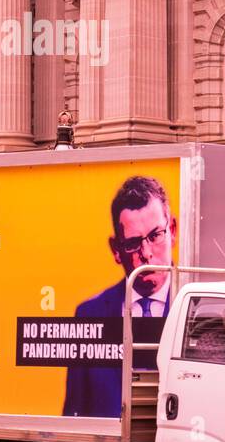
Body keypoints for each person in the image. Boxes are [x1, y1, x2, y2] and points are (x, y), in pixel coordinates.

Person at [67, 175, 178, 417]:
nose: (146, 253)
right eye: (133, 244)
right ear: (116, 250)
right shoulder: (89, 314)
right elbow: (75, 409)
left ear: (172, 230)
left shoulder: (196, 306)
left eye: (155, 235)